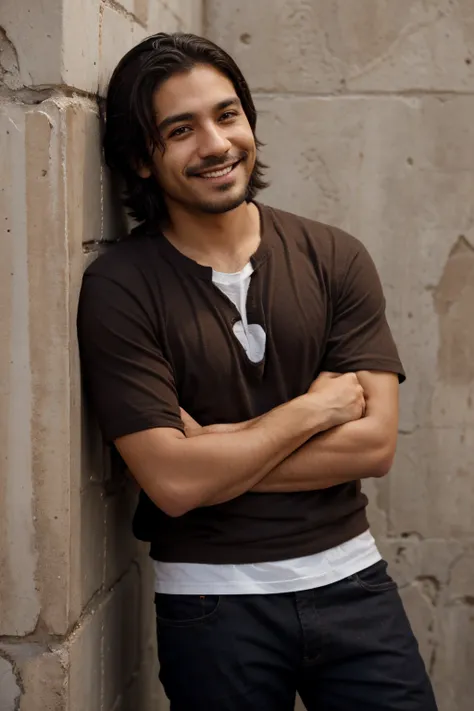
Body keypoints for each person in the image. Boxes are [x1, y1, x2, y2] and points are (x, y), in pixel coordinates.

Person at [77, 32, 438, 711]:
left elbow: (374, 445)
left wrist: (214, 448)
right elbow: (173, 483)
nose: (215, 144)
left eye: (228, 114)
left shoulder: (335, 257)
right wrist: (310, 411)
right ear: (140, 159)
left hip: (353, 582)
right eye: (180, 130)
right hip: (212, 605)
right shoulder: (120, 286)